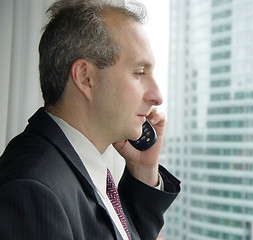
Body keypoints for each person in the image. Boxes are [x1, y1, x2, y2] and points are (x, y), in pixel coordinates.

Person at [0, 0, 180, 239]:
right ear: (85, 78)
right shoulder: (33, 189)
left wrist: (143, 170)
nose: (157, 96)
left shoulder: (79, 171)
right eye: (139, 73)